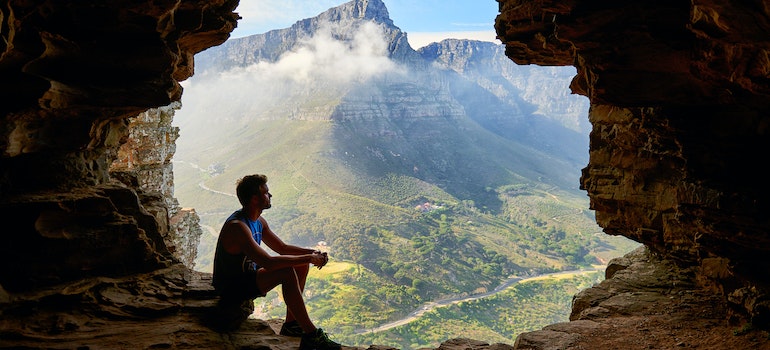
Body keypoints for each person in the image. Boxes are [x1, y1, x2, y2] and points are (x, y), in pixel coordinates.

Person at [212, 174, 341, 350]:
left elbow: (282, 247)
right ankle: (311, 335)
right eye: (266, 192)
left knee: (300, 264)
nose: (270, 195)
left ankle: (291, 325)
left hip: (247, 278)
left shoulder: (258, 221)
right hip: (232, 287)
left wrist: (312, 253)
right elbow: (269, 262)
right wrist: (310, 258)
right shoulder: (238, 227)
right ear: (254, 199)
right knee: (286, 272)